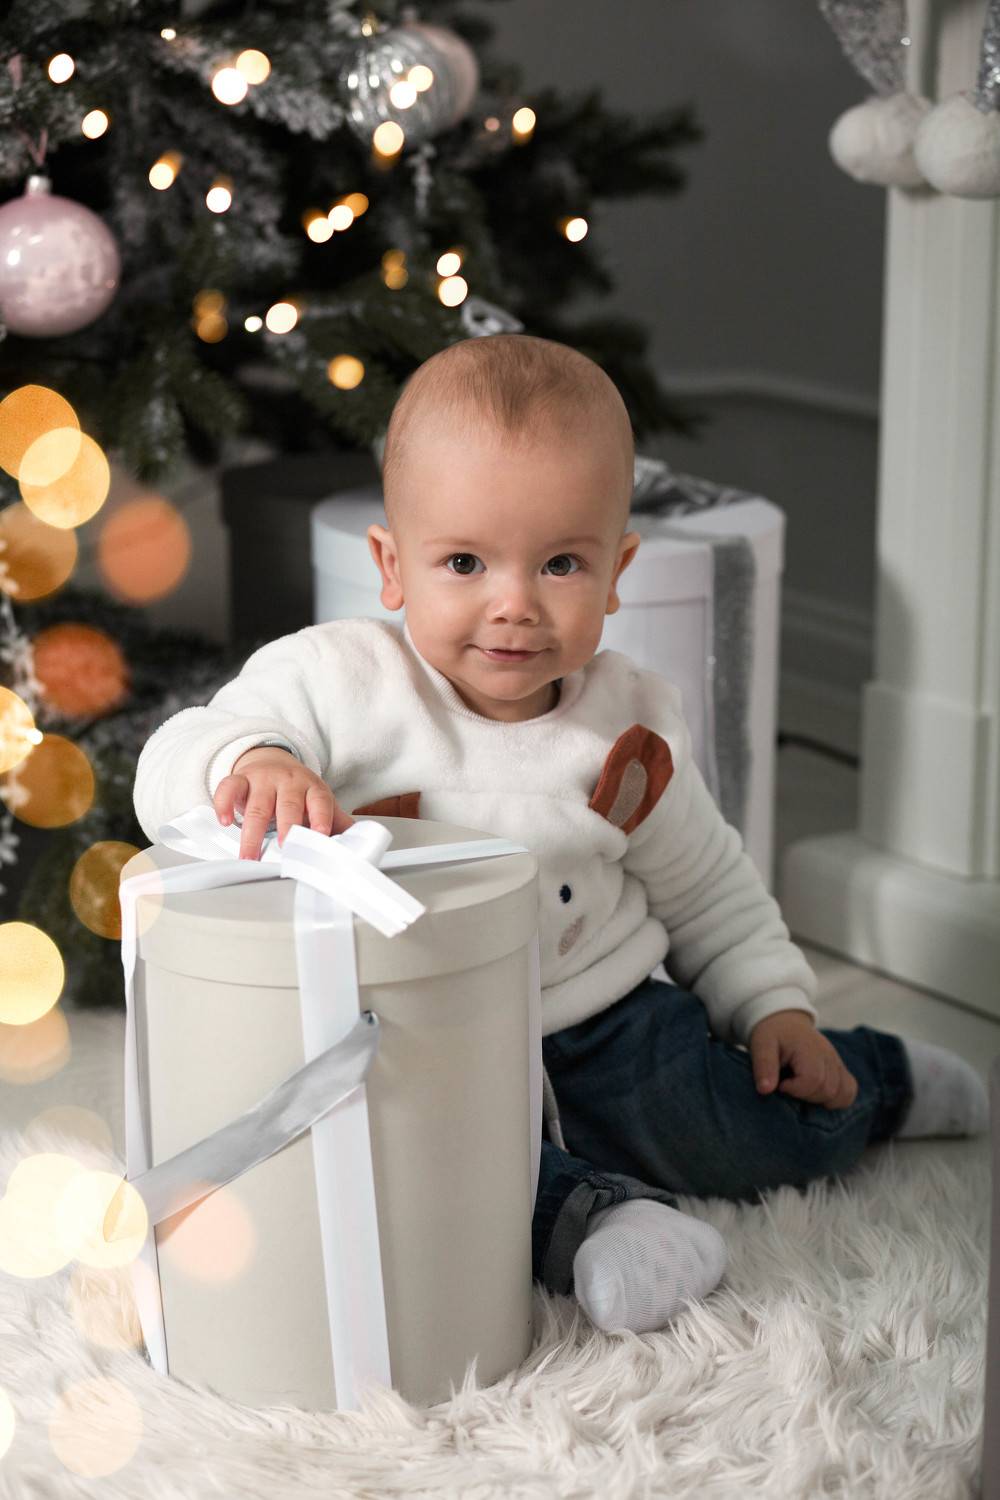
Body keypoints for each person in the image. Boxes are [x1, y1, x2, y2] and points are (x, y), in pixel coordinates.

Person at [133, 333, 989, 1338]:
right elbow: (171, 763)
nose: (515, 605)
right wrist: (255, 763)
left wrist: (774, 1006)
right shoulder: (335, 681)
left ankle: (877, 1083)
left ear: (616, 572)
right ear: (393, 566)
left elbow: (707, 888)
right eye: (464, 562)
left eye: (560, 564)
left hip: (606, 1020)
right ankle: (609, 1223)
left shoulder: (624, 730)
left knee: (740, 1132)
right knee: (432, 1180)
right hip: (416, 1030)